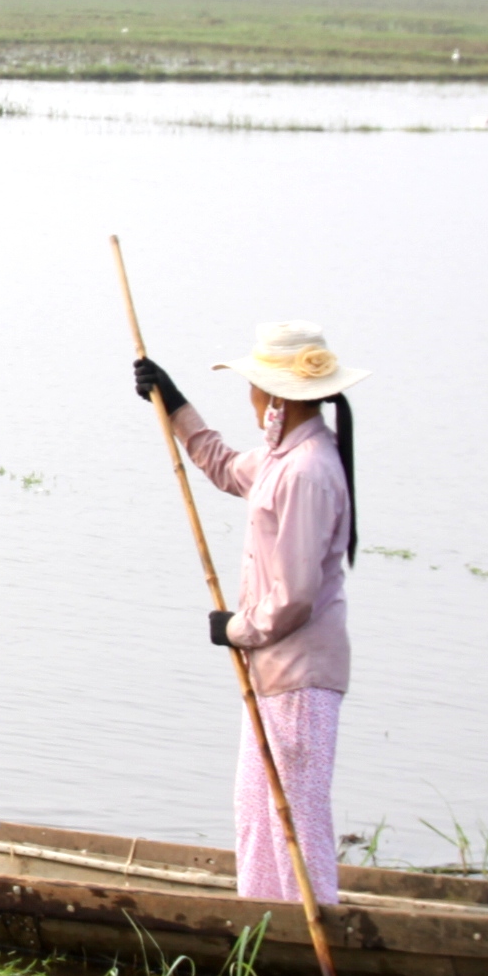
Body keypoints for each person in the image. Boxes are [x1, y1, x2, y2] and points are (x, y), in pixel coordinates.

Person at [132, 321, 363, 904]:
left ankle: (313, 928)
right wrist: (174, 403)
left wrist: (236, 629)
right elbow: (223, 465)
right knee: (257, 809)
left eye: (256, 386)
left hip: (299, 672)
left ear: (278, 396)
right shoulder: (283, 457)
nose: (252, 395)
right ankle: (261, 920)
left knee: (297, 816)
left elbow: (292, 596)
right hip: (272, 669)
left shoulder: (308, 471)